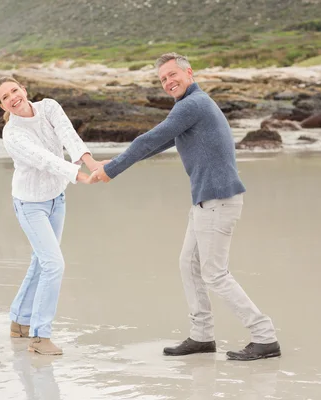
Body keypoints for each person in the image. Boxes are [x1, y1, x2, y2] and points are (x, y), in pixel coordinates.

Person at [90, 53, 281, 361]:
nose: (168, 82)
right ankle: (202, 337)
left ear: (189, 72)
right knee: (188, 265)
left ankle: (264, 336)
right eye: (162, 79)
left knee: (215, 274)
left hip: (217, 201)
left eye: (172, 75)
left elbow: (148, 139)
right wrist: (112, 161)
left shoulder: (193, 104)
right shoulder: (191, 106)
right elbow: (157, 143)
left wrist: (111, 170)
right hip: (207, 202)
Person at [0, 77, 102, 355]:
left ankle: (19, 321)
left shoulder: (49, 107)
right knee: (54, 265)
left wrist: (92, 163)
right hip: (30, 205)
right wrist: (80, 176)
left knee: (42, 263)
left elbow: (69, 135)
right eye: (5, 97)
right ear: (2, 105)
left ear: (24, 90)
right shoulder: (12, 134)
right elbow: (45, 159)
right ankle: (40, 337)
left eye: (14, 90)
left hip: (57, 199)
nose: (13, 97)